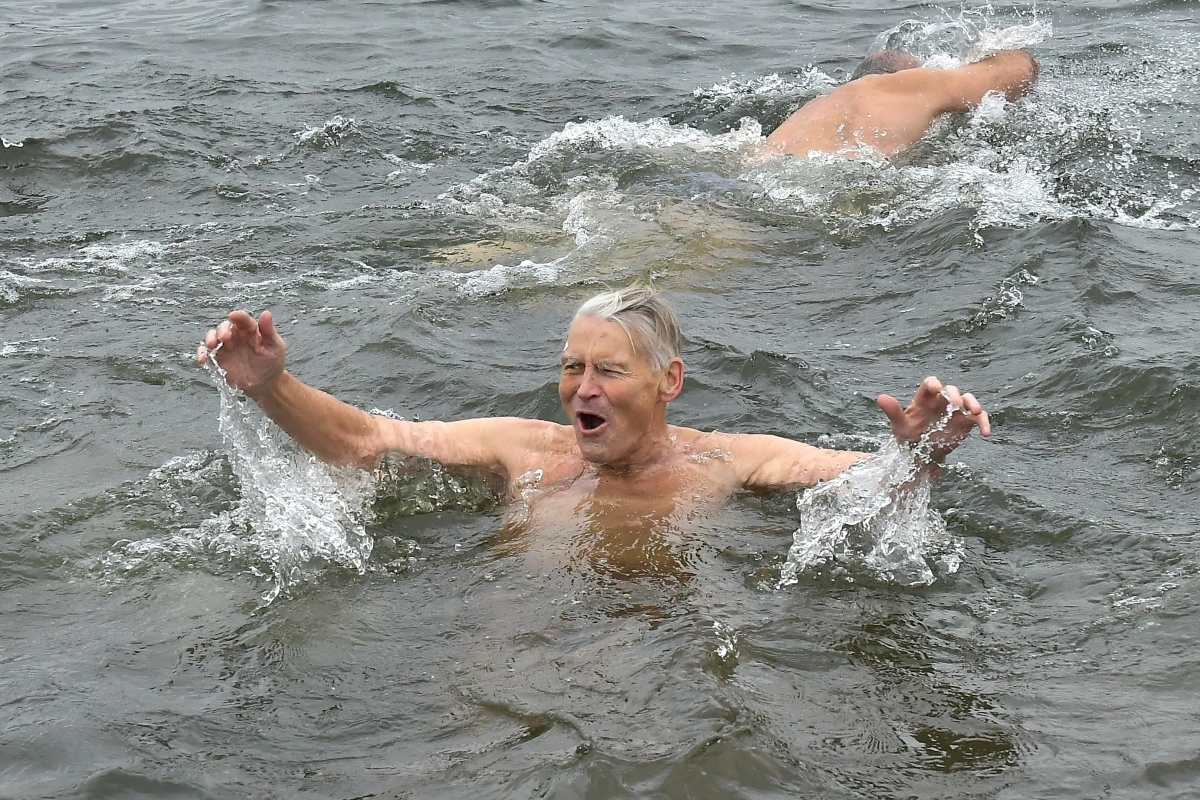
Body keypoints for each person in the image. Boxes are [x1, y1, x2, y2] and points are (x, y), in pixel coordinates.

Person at [197, 285, 989, 541]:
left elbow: (863, 482)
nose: (583, 387)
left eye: (609, 370)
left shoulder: (727, 459)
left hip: (666, 654)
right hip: (520, 652)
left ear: (668, 381)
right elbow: (367, 439)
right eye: (572, 368)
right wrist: (271, 386)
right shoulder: (523, 448)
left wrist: (922, 452)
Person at [762, 48, 1038, 159]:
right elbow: (1017, 72)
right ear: (903, 74)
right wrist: (983, 52)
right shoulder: (905, 86)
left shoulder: (809, 111)